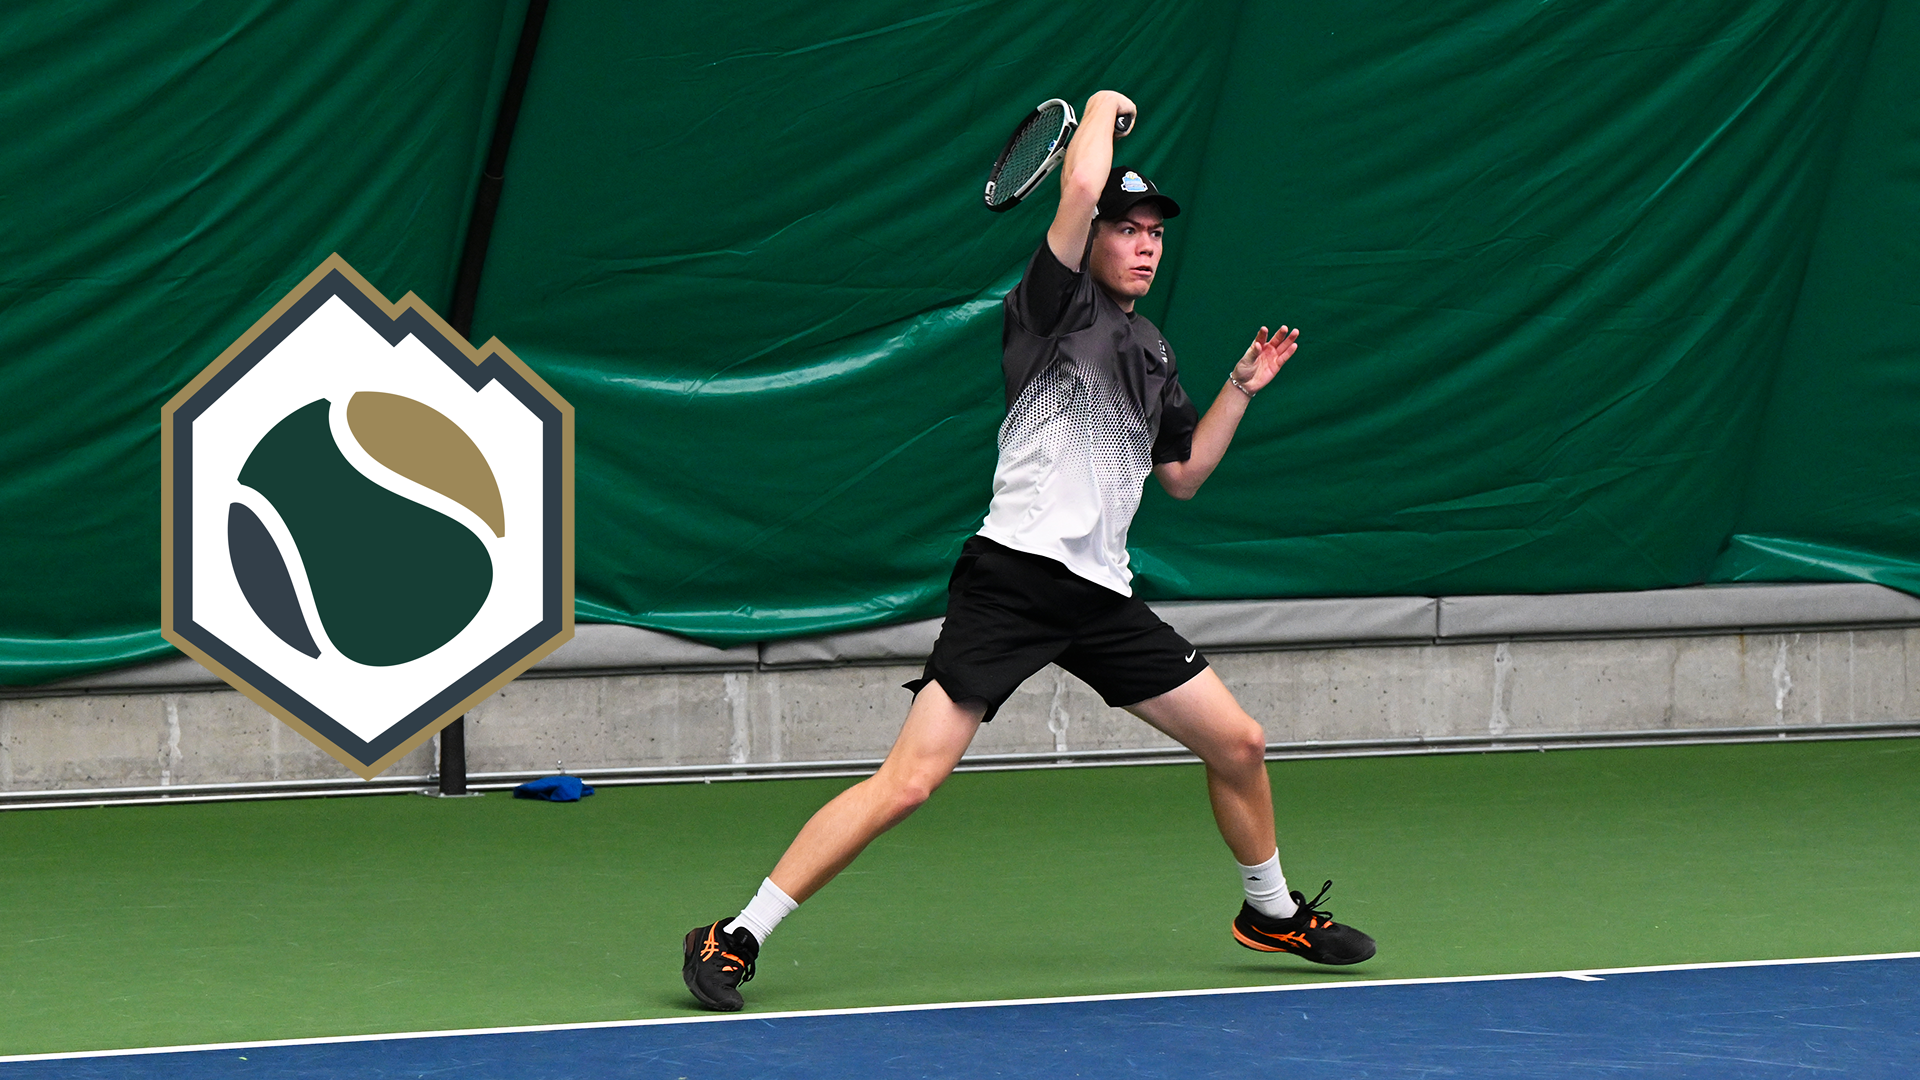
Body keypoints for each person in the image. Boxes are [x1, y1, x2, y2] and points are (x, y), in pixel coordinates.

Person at [682, 90, 1374, 1011]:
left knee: (1239, 743)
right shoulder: (1050, 308)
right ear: (1090, 240)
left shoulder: (1155, 353)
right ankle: (736, 935)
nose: (1143, 244)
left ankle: (1270, 910)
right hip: (1011, 580)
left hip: (1100, 597)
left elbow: (1183, 477)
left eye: (1154, 234)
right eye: (1125, 229)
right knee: (911, 783)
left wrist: (1243, 389)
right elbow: (1080, 182)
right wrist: (1098, 106)